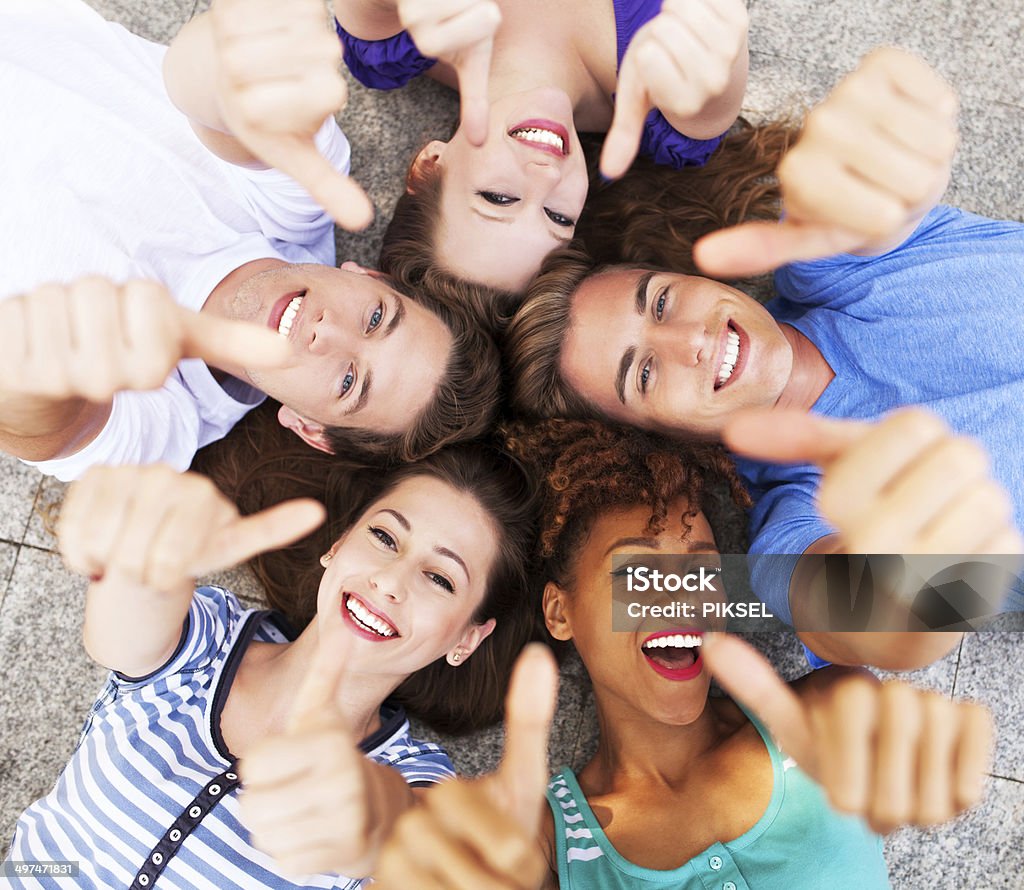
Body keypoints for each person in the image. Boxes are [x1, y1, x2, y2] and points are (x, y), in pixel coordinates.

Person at [505, 48, 1024, 668]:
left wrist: (887, 142)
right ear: (658, 436)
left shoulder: (831, 259)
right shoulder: (794, 524)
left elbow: (855, 188)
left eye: (663, 302)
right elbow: (874, 619)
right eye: (644, 373)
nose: (689, 342)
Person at [371, 418, 995, 890]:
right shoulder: (548, 838)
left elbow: (925, 624)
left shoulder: (821, 711)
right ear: (560, 611)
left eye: (701, 569)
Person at [0, 0, 499, 481]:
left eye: (349, 382)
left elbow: (27, 416)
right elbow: (207, 64)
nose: (326, 333)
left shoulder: (161, 426)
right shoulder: (305, 193)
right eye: (375, 318)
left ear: (312, 429)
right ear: (369, 276)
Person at [6, 439, 538, 888]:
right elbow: (119, 638)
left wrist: (374, 820)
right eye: (383, 537)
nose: (391, 581)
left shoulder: (415, 781)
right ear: (339, 543)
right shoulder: (208, 637)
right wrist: (138, 559)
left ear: (467, 638)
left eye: (440, 578)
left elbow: (417, 841)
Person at [332, 0, 749, 316]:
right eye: (557, 217)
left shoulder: (388, 38)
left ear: (429, 166)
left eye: (497, 198)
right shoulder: (681, 105)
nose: (547, 175)